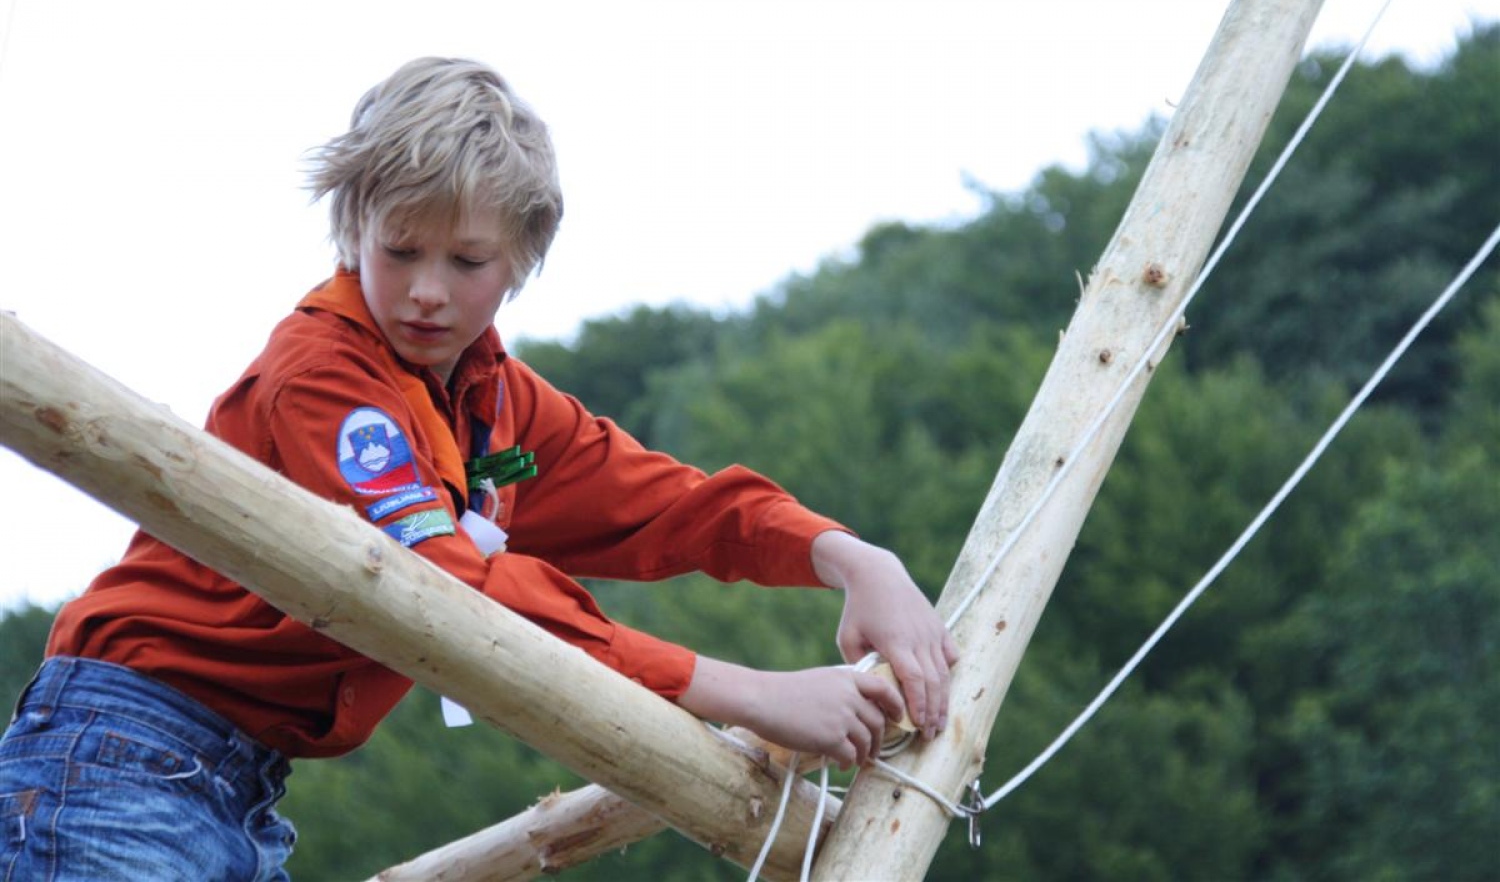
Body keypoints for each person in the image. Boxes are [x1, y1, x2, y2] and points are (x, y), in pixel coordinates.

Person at [0, 56, 958, 881]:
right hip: (121, 752)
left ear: (523, 259)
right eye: (399, 249)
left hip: (240, 782)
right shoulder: (327, 382)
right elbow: (447, 591)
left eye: (466, 260)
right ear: (352, 231)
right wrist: (749, 691)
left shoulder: (491, 398)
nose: (425, 291)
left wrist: (847, 555)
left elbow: (667, 504)